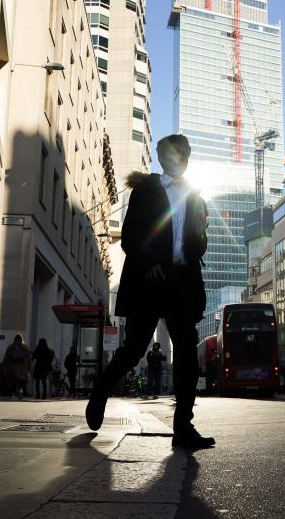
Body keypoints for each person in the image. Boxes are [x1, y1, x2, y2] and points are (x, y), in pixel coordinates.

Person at [85, 135, 215, 450]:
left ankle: (183, 427)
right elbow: (131, 235)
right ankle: (101, 390)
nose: (180, 158)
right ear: (161, 157)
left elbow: (197, 244)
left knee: (186, 351)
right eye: (172, 153)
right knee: (135, 348)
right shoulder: (146, 190)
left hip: (183, 280)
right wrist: (148, 262)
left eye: (184, 153)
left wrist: (200, 232)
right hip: (151, 279)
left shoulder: (196, 197)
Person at [4, 334, 31, 399]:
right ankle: (21, 394)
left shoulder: (10, 347)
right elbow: (29, 358)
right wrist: (29, 367)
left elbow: (6, 357)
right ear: (21, 339)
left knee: (13, 382)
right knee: (21, 384)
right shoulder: (25, 347)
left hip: (13, 367)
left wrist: (5, 365)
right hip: (23, 369)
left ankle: (13, 394)